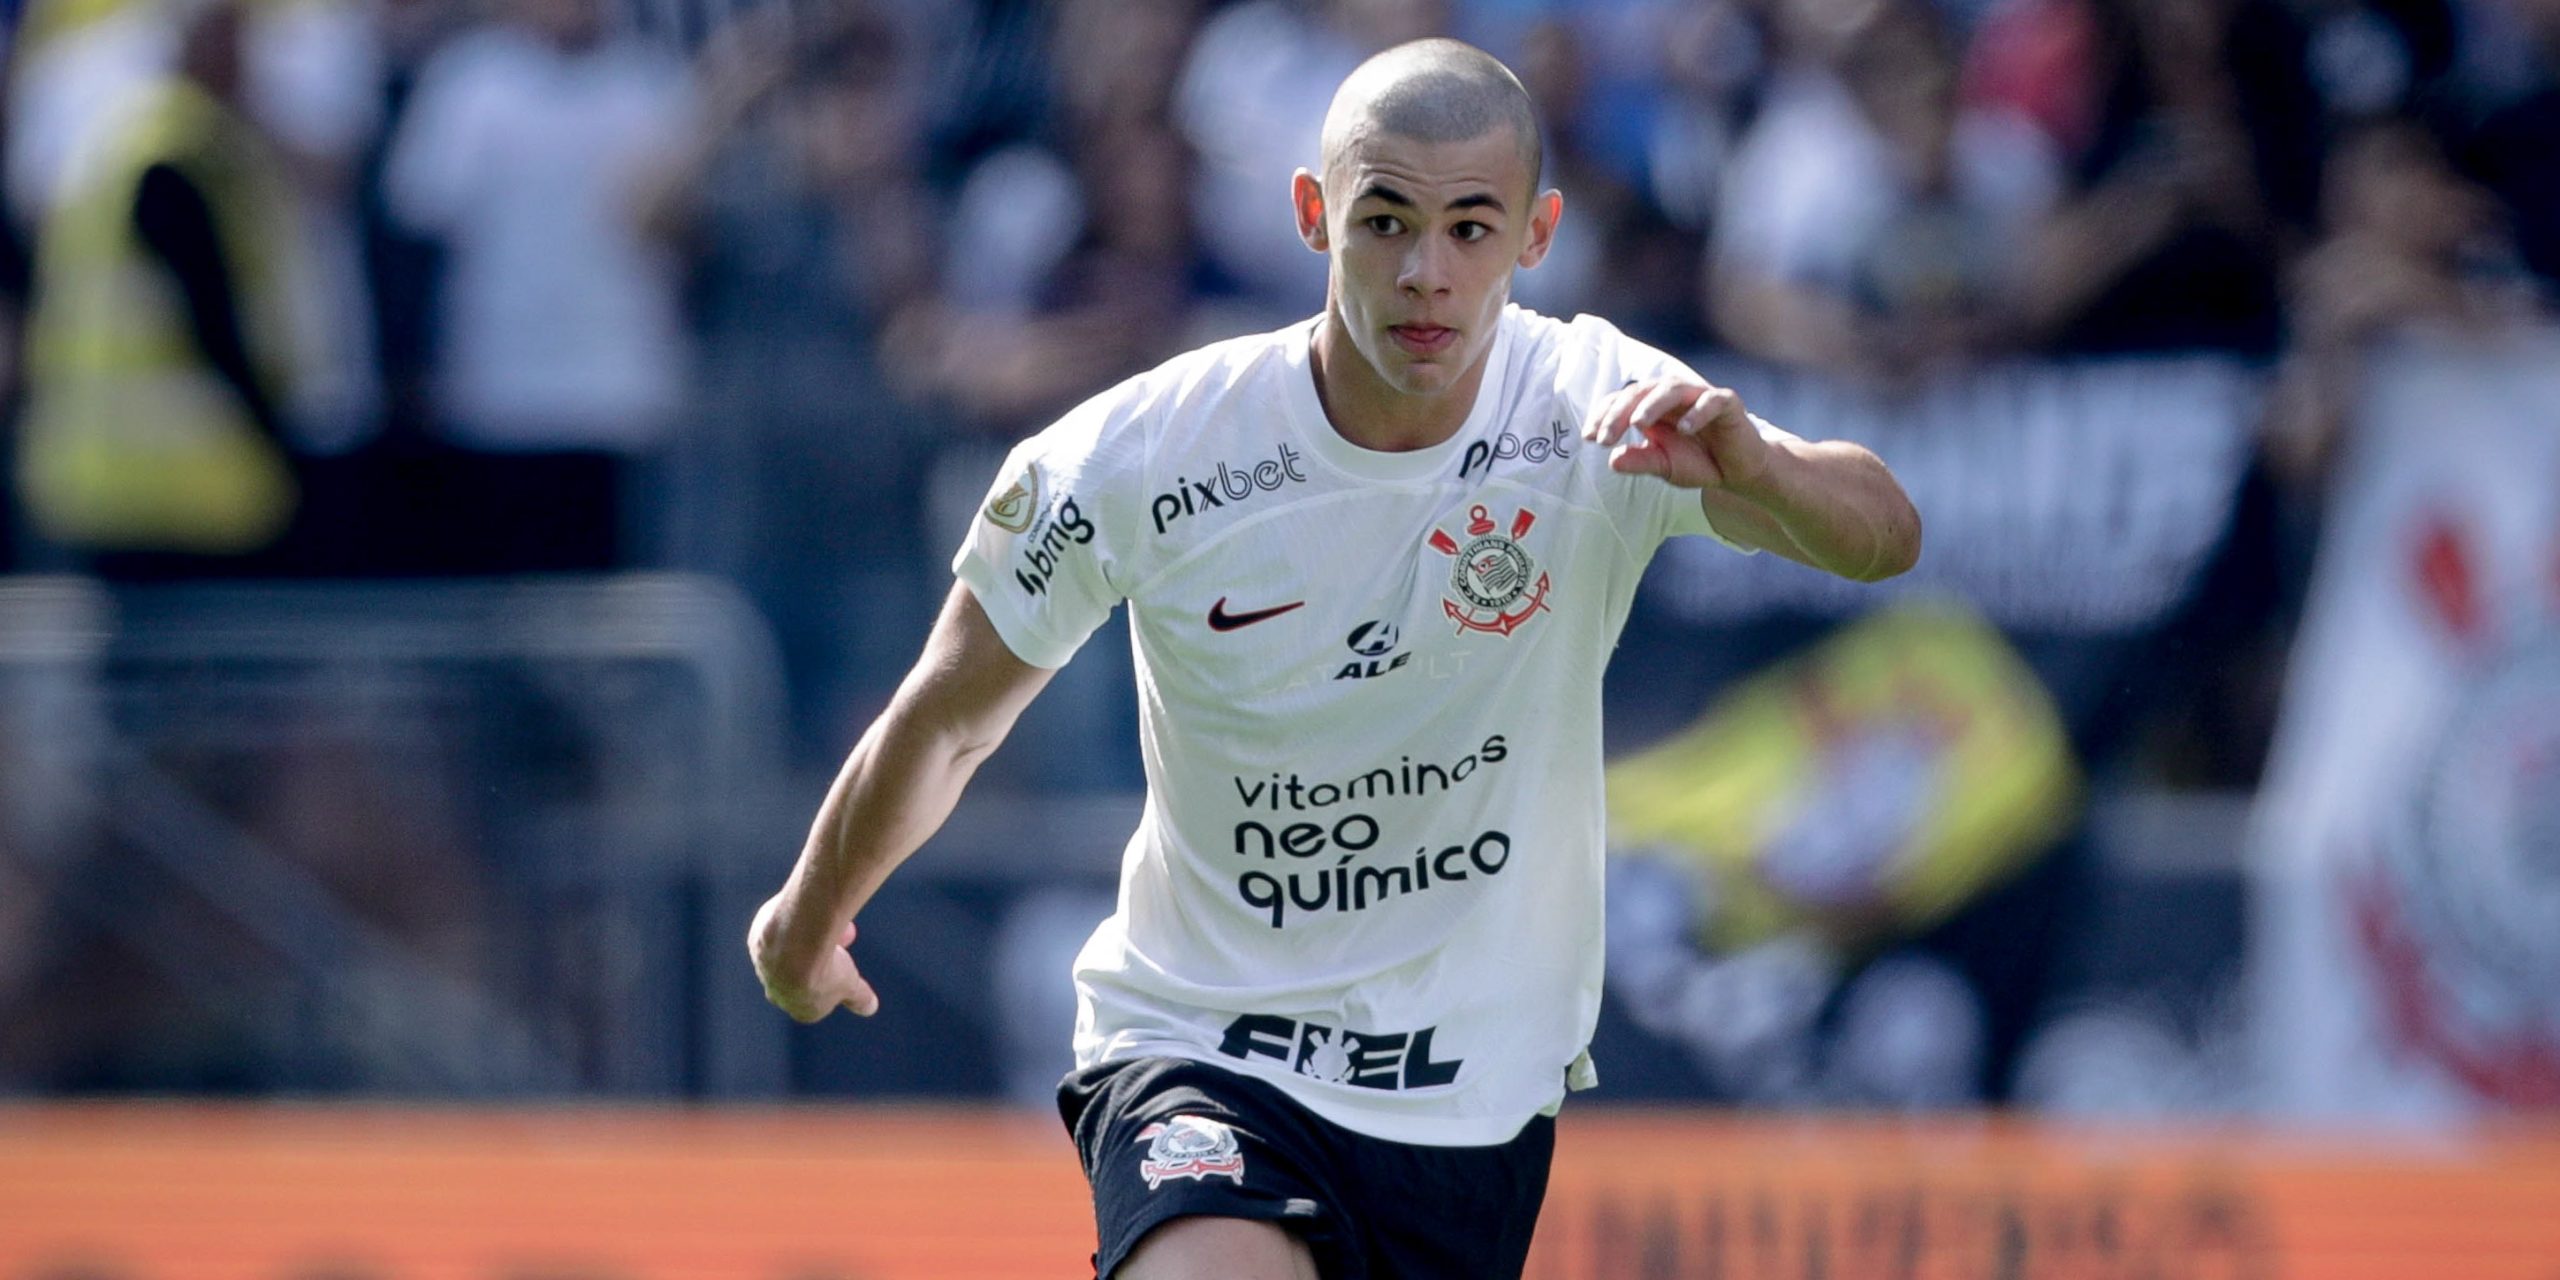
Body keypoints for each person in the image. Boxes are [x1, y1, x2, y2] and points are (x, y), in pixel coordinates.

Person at [748, 37, 1918, 1280]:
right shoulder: (1142, 454)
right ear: (1316, 216)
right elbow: (949, 719)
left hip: (1471, 1095)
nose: (1426, 272)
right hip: (1204, 1044)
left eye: (1472, 229)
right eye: (1386, 221)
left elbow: (1883, 537)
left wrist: (1763, 472)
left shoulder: (1603, 411)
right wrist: (808, 911)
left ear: (1536, 234)